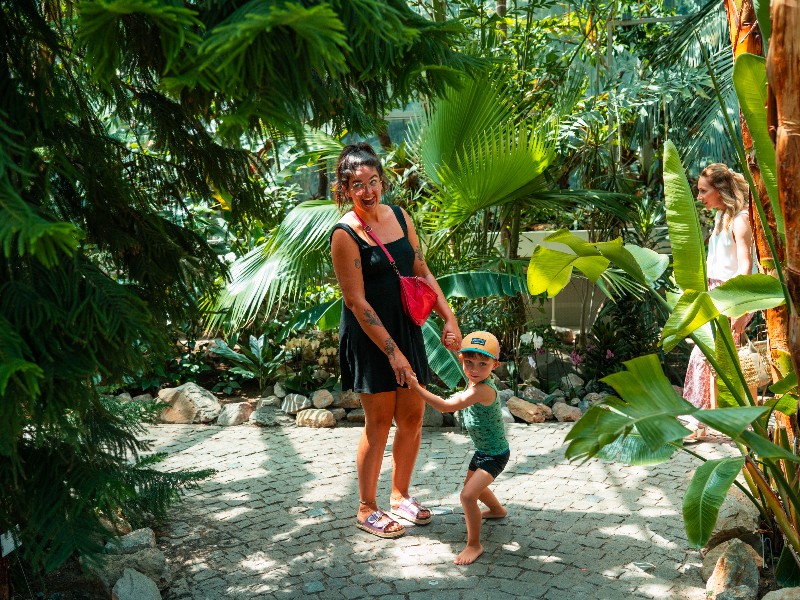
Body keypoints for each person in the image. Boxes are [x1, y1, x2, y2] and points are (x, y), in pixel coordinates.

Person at [329, 142, 462, 539]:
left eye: (373, 181)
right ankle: (366, 507)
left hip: (407, 328)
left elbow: (419, 267)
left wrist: (449, 317)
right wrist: (393, 354)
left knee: (413, 417)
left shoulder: (401, 217)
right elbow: (355, 301)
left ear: (382, 181)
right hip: (371, 339)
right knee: (379, 423)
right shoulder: (344, 234)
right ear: (345, 189)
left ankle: (400, 495)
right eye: (357, 185)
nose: (368, 191)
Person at [407, 331, 510, 565]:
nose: (474, 369)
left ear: (495, 365)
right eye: (469, 362)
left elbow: (444, 407)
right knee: (473, 489)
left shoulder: (481, 389)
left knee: (467, 496)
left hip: (494, 455)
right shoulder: (475, 379)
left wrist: (415, 386)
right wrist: (455, 347)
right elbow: (466, 358)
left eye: (482, 364)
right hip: (484, 451)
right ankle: (497, 511)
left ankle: (474, 544)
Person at [683, 163, 756, 442]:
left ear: (720, 190)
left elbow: (745, 266)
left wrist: (739, 309)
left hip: (731, 294)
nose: (699, 197)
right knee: (721, 360)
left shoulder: (740, 219)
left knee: (703, 355)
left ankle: (697, 422)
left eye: (703, 191)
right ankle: (737, 423)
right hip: (715, 293)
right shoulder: (720, 217)